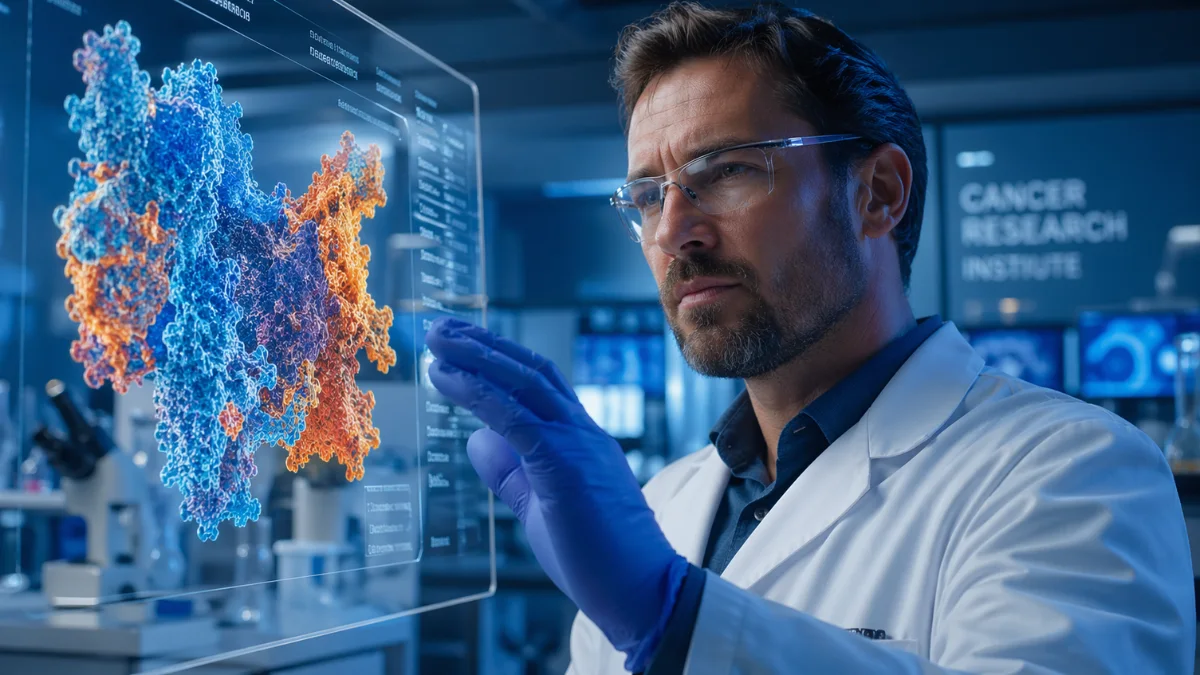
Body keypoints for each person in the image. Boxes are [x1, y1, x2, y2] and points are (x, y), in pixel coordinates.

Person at [424, 2, 1196, 673]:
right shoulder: (659, 507)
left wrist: (677, 621)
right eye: (647, 195)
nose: (673, 230)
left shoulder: (1074, 473)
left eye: (723, 170)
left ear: (877, 194)